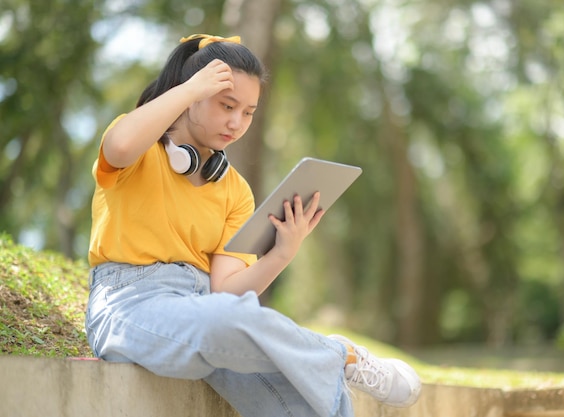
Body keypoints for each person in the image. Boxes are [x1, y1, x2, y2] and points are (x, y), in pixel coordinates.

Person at [85, 33, 421, 417]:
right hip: (130, 305)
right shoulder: (139, 148)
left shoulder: (235, 190)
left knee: (301, 398)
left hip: (208, 314)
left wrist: (281, 253)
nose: (236, 122)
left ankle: (332, 364)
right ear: (191, 95)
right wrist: (190, 87)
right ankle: (340, 356)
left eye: (248, 112)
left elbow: (225, 292)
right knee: (230, 320)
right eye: (227, 105)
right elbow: (120, 146)